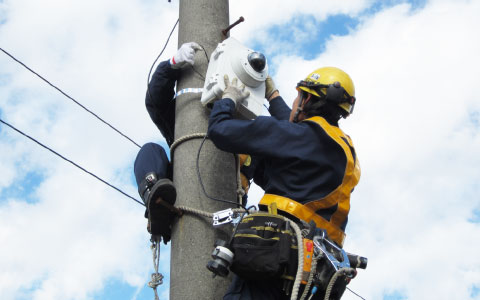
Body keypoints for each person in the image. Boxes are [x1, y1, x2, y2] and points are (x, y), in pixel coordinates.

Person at [207, 67, 361, 299]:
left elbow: (219, 130)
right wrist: (273, 96)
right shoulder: (344, 149)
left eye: (298, 95)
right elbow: (293, 130)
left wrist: (227, 99)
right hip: (312, 274)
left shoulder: (298, 136)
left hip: (272, 261)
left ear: (307, 98)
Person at [133, 42, 201, 243]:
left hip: (225, 193)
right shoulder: (183, 118)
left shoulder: (242, 130)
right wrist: (171, 66)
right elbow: (155, 100)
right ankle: (156, 199)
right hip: (178, 183)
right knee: (150, 151)